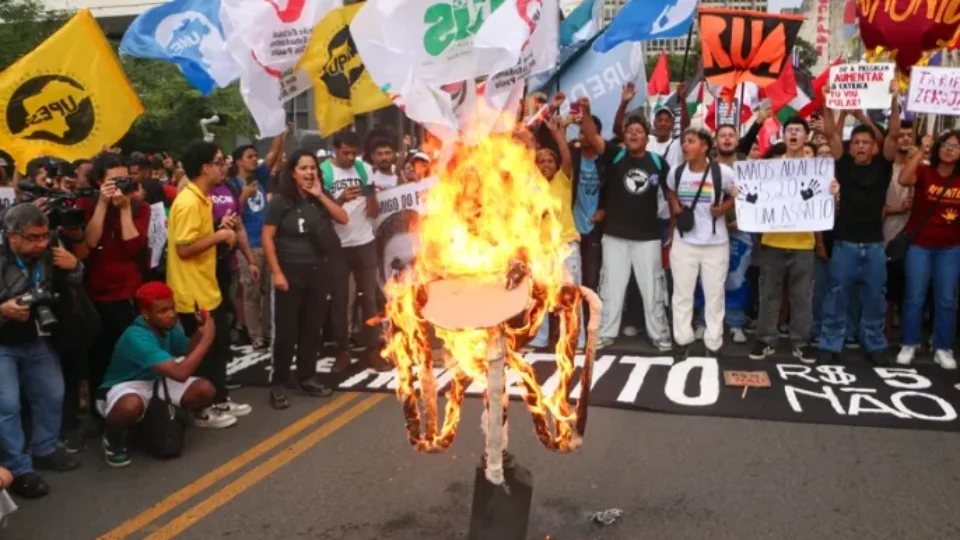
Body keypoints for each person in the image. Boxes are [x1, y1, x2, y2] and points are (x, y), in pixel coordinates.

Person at [0, 204, 84, 498]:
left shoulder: (49, 251)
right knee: (7, 405)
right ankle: (18, 469)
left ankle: (45, 448)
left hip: (35, 335)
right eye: (33, 238)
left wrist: (74, 265)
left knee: (52, 392)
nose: (41, 244)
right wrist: (3, 309)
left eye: (44, 236)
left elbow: (76, 282)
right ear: (12, 237)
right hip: (1, 342)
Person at [167, 141, 250, 427]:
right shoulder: (189, 201)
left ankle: (219, 398)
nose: (224, 165)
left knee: (219, 347)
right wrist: (218, 237)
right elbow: (184, 249)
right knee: (203, 352)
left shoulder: (203, 197)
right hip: (192, 293)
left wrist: (218, 230)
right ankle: (201, 410)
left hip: (207, 287)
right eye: (218, 161)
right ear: (205, 168)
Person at [579, 100, 671, 351]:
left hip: (648, 237)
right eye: (629, 131)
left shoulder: (659, 163)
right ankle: (605, 333)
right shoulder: (615, 156)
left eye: (639, 131)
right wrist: (586, 112)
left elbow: (672, 196)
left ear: (647, 137)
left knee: (653, 288)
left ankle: (659, 334)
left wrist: (672, 231)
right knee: (610, 287)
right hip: (615, 235)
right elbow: (591, 135)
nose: (633, 134)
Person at [818, 85, 901, 366]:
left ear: (873, 146)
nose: (861, 146)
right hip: (845, 245)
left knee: (875, 297)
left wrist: (892, 100)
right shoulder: (843, 163)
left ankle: (874, 344)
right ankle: (830, 343)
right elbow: (830, 133)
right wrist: (829, 102)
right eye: (856, 143)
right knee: (836, 296)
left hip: (875, 246)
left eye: (866, 142)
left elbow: (893, 134)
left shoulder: (883, 164)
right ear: (850, 146)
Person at [263, 149, 350, 409]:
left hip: (318, 272)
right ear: (293, 172)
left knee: (313, 329)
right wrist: (277, 272)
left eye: (313, 168)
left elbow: (343, 218)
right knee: (287, 332)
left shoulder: (319, 198)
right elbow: (268, 237)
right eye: (303, 168)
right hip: (290, 272)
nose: (309, 173)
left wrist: (320, 195)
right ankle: (278, 382)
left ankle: (307, 376)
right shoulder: (281, 201)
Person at [98, 282, 219, 467]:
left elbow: (187, 350)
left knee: (205, 390)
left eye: (172, 308)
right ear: (146, 314)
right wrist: (207, 340)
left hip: (157, 380)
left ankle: (159, 421)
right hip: (128, 385)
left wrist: (200, 333)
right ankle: (112, 440)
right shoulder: (136, 336)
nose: (172, 314)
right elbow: (180, 373)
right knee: (130, 406)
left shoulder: (168, 327)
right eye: (163, 311)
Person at [750, 117, 828, 364]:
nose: (794, 134)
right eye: (790, 130)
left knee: (802, 296)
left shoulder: (818, 170)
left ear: (806, 137)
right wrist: (742, 193)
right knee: (769, 293)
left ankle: (801, 342)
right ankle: (765, 339)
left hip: (803, 242)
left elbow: (826, 206)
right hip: (773, 241)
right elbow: (756, 196)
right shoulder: (770, 167)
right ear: (783, 136)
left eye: (798, 130)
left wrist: (833, 192)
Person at [83, 153, 152, 420]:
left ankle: (132, 409)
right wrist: (102, 203)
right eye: (113, 180)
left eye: (124, 179)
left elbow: (134, 246)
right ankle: (101, 415)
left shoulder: (139, 207)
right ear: (99, 181)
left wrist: (124, 208)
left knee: (131, 357)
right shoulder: (88, 204)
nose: (119, 185)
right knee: (100, 360)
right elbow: (89, 242)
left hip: (129, 295)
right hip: (97, 296)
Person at [665, 128, 738, 358]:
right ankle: (682, 340)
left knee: (714, 295)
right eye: (683, 141)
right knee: (682, 294)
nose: (685, 146)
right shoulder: (677, 172)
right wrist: (675, 205)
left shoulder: (722, 173)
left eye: (691, 141)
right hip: (684, 243)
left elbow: (740, 192)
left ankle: (713, 344)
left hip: (715, 245)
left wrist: (724, 208)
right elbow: (670, 190)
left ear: (704, 146)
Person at [322, 131, 386, 372]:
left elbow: (373, 211)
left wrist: (370, 194)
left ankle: (372, 349)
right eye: (345, 153)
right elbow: (322, 212)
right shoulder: (325, 172)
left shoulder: (363, 169)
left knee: (369, 298)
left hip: (364, 241)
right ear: (335, 150)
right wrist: (339, 199)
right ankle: (342, 351)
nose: (350, 158)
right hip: (338, 245)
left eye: (354, 153)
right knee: (340, 300)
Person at [895, 130, 960, 369]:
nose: (949, 149)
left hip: (951, 248)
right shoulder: (925, 171)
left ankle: (942, 347)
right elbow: (903, 179)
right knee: (915, 296)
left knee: (946, 299)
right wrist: (922, 149)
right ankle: (910, 343)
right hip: (920, 246)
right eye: (945, 144)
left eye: (955, 146)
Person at [529, 111, 585, 350]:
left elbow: (567, 156)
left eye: (549, 161)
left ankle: (573, 339)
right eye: (541, 161)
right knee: (540, 296)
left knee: (569, 295)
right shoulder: (532, 185)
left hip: (566, 246)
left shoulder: (564, 179)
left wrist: (557, 133)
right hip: (541, 249)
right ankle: (541, 339)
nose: (546, 165)